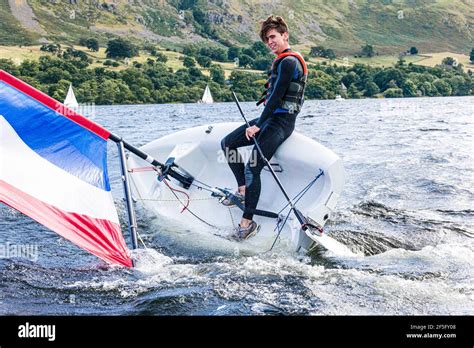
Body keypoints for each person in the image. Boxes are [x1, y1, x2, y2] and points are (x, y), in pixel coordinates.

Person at [220, 15, 308, 240]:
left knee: (252, 167)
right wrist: (261, 123)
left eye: (273, 37)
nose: (270, 42)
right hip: (270, 120)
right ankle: (243, 190)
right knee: (228, 143)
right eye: (267, 39)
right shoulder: (282, 60)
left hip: (281, 123)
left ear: (284, 35)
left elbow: (277, 97)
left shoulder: (289, 62)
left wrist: (258, 125)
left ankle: (247, 223)